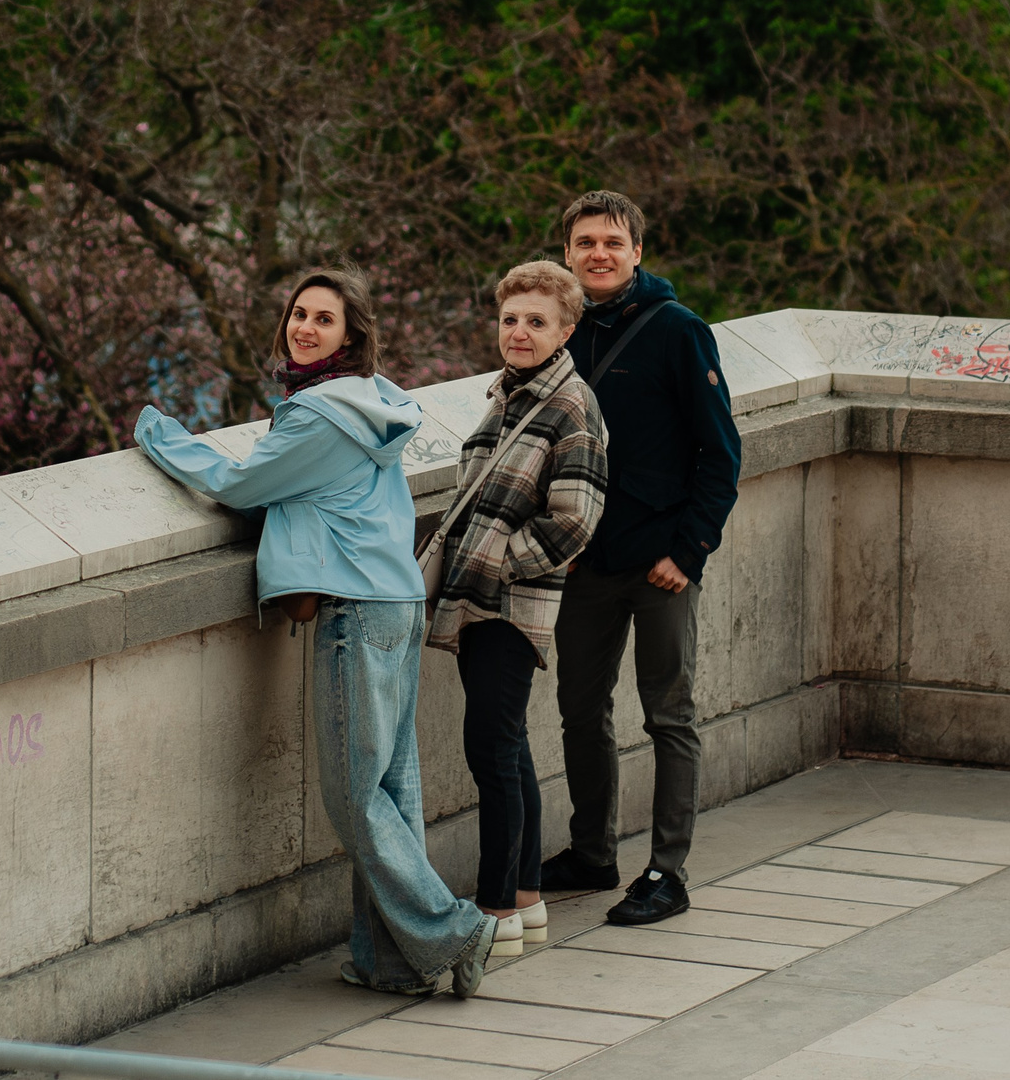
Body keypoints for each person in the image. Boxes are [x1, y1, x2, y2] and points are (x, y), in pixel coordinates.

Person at [135, 266, 497, 999]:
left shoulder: (315, 416)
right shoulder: (372, 405)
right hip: (394, 599)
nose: (304, 327)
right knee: (391, 790)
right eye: (299, 313)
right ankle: (389, 961)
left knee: (354, 796)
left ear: (350, 337)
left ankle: (452, 926)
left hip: (353, 609)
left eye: (323, 319)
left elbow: (239, 485)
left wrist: (160, 435)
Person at [539, 191, 742, 926]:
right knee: (579, 712)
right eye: (586, 241)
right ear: (567, 252)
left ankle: (668, 870)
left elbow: (721, 457)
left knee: (669, 717)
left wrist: (687, 551)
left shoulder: (678, 332)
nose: (599, 253)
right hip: (582, 565)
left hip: (660, 565)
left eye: (613, 243)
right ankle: (591, 852)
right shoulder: (556, 333)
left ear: (637, 253)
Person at [424, 260, 607, 958]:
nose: (519, 331)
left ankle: (495, 909)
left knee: (491, 749)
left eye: (536, 321)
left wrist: (499, 565)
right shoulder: (508, 396)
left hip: (506, 604)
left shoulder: (570, 406)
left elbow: (575, 522)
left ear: (565, 330)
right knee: (506, 747)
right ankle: (526, 898)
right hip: (480, 601)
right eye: (509, 319)